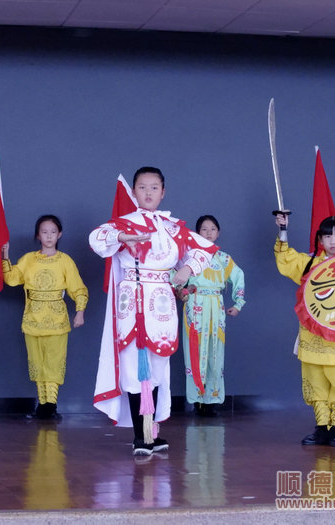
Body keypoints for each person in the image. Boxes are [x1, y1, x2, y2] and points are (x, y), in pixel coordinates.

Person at [90, 167, 216, 456]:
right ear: (134, 192)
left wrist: (186, 268)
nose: (148, 193)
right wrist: (123, 238)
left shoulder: (173, 227)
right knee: (135, 370)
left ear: (163, 192)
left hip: (162, 305)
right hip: (132, 305)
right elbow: (96, 239)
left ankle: (151, 433)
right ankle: (140, 436)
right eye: (142, 187)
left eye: (154, 187)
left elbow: (205, 249)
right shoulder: (123, 224)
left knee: (158, 371)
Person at [274, 214, 335, 447]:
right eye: (327, 235)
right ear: (320, 239)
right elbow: (285, 259)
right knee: (315, 380)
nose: (333, 240)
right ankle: (322, 427)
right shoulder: (309, 264)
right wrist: (283, 230)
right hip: (312, 335)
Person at [2, 214, 88, 420]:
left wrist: (80, 311)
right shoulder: (28, 259)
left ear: (59, 234)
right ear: (38, 236)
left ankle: (50, 405)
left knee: (54, 361)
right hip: (33, 318)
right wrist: (5, 257)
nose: (48, 236)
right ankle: (42, 404)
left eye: (53, 232)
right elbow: (12, 279)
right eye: (44, 232)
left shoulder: (65, 261)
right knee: (37, 362)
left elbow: (78, 288)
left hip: (57, 320)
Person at [178, 215, 245, 417]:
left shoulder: (224, 258)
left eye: (212, 229)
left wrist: (238, 304)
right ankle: (197, 398)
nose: (208, 233)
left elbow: (239, 277)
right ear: (196, 233)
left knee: (216, 351)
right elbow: (176, 280)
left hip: (216, 307)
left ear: (218, 233)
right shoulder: (188, 258)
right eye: (204, 229)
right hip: (195, 305)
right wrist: (182, 290)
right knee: (195, 351)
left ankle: (212, 399)